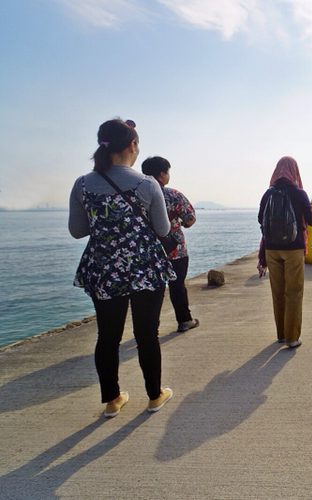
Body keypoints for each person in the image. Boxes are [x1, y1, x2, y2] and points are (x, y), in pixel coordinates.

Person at [69, 118, 175, 418]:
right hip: (144, 269)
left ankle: (112, 400)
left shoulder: (83, 184)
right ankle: (154, 396)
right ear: (132, 145)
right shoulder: (147, 184)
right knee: (147, 334)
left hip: (104, 269)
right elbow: (163, 229)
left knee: (107, 336)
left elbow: (77, 230)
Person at [256, 157, 312, 348]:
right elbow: (311, 221)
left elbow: (260, 219)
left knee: (278, 292)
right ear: (294, 171)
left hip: (271, 249)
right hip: (294, 248)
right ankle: (292, 338)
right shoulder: (299, 193)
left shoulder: (268, 193)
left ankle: (281, 335)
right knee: (294, 292)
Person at [141, 156, 199, 333]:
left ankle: (149, 328)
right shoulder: (173, 195)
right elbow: (190, 219)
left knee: (150, 289)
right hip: (175, 249)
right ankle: (185, 320)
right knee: (177, 285)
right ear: (162, 174)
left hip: (147, 250)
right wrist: (179, 224)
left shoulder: (137, 195)